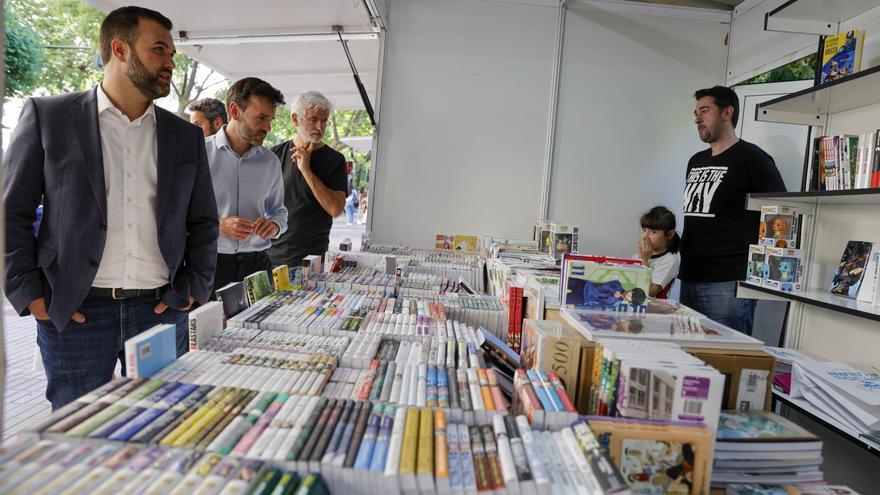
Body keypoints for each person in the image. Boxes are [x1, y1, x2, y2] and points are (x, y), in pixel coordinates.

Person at [3, 6, 219, 410]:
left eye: (172, 53)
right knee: (78, 435)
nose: (171, 62)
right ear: (119, 49)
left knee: (162, 425)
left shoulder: (185, 137)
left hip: (161, 309)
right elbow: (10, 211)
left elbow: (204, 220)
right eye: (160, 50)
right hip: (75, 311)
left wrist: (195, 287)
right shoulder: (48, 117)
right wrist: (28, 292)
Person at [679, 85, 786, 334]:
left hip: (728, 282)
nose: (697, 118)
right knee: (688, 353)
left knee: (726, 359)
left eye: (705, 110)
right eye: (695, 112)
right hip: (690, 275)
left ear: (727, 112)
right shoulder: (696, 161)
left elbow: (780, 213)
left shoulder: (753, 158)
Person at [206, 78, 288, 291]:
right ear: (235, 111)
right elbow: (179, 216)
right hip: (210, 266)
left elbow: (279, 211)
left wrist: (275, 225)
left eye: (270, 120)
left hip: (258, 266)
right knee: (211, 325)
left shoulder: (270, 162)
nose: (267, 128)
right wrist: (218, 226)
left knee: (263, 325)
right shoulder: (199, 154)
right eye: (261, 118)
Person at [267, 90, 346, 267]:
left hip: (311, 260)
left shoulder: (335, 160)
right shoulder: (274, 155)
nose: (320, 127)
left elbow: (335, 209)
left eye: (324, 121)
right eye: (313, 120)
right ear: (295, 119)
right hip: (269, 257)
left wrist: (306, 170)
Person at [634, 206, 680, 299]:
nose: (645, 236)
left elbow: (650, 292)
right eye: (644, 230)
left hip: (655, 311)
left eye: (653, 232)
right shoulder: (636, 256)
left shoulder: (669, 261)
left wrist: (643, 262)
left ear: (670, 234)